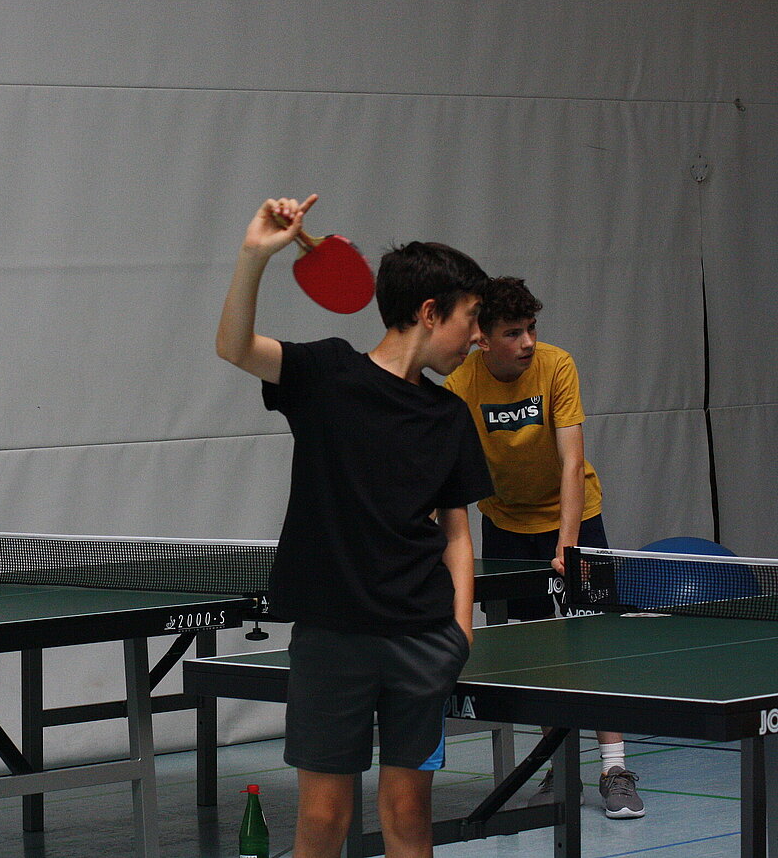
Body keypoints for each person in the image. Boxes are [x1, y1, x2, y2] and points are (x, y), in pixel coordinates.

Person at [217, 194, 494, 858]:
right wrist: (255, 255)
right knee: (322, 817)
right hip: (332, 636)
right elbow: (233, 347)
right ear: (430, 312)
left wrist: (459, 630)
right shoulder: (326, 374)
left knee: (408, 812)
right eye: (472, 319)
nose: (479, 337)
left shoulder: (449, 416)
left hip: (422, 638)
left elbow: (457, 532)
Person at [444, 275, 643, 820]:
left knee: (593, 643)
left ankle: (614, 768)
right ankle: (559, 764)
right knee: (535, 653)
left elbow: (572, 461)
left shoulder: (557, 366)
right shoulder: (460, 384)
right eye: (513, 333)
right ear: (483, 338)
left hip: (576, 518)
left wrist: (568, 544)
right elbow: (449, 477)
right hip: (506, 525)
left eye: (531, 328)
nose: (528, 341)